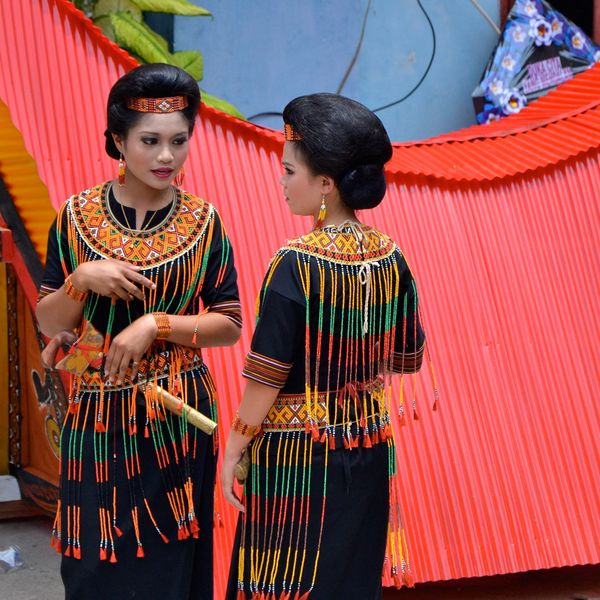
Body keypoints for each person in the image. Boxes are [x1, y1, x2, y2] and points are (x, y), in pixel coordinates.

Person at [36, 63, 241, 600]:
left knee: (169, 564)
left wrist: (156, 324)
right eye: (150, 141)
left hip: (176, 414)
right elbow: (49, 322)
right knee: (92, 565)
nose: (166, 156)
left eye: (179, 141)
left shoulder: (205, 222)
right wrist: (81, 280)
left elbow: (229, 324)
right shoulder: (75, 217)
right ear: (118, 141)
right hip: (96, 414)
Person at [221, 93, 431, 600]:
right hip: (368, 447)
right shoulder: (391, 256)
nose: (281, 181)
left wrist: (234, 445)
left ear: (325, 184)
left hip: (298, 459)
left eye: (289, 171)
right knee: (350, 583)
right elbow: (407, 358)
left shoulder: (294, 262)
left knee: (284, 584)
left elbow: (267, 375)